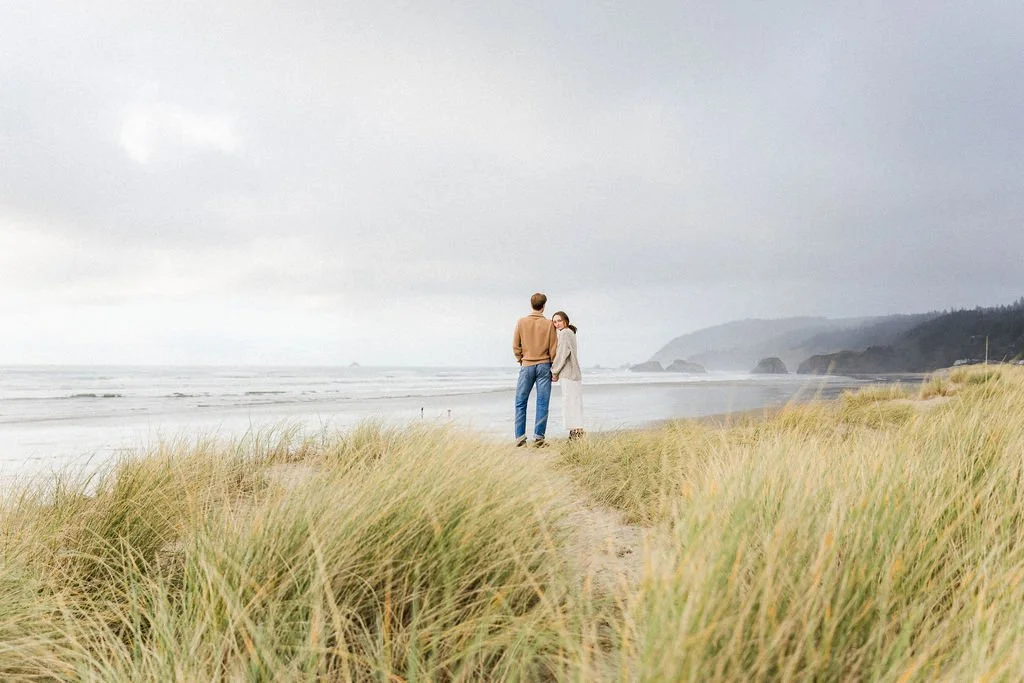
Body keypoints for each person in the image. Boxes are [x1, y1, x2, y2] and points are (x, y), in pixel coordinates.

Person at [512, 293, 558, 447]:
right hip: (544, 365)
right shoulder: (549, 324)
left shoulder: (521, 322)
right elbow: (553, 348)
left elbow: (515, 346)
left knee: (520, 402)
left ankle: (520, 438)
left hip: (527, 365)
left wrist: (521, 359)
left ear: (531, 304)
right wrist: (554, 367)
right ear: (544, 306)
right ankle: (539, 438)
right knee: (542, 402)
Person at [551, 311, 584, 440]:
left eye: (559, 320)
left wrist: (554, 371)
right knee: (574, 403)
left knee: (569, 403)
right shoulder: (570, 332)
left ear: (565, 320)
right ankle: (577, 432)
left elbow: (562, 354)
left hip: (568, 374)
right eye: (554, 322)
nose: (557, 324)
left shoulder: (565, 333)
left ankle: (575, 434)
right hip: (574, 374)